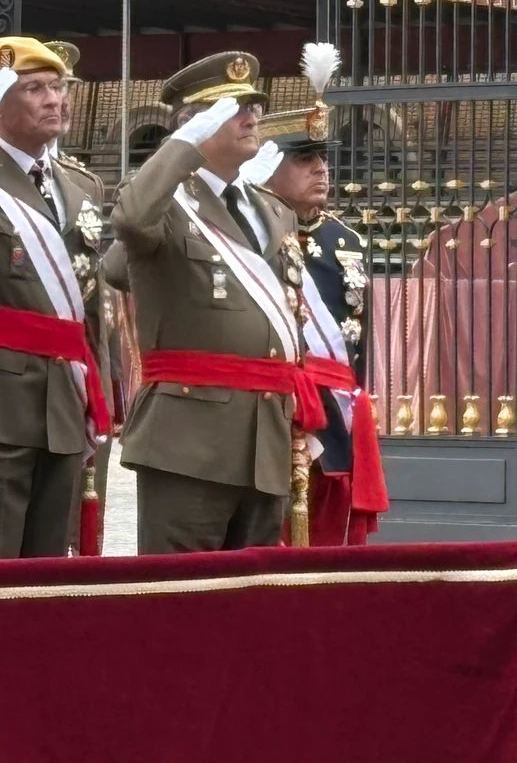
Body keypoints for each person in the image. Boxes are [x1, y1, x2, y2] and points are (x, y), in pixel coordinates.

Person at [110, 51, 309, 553]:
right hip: (189, 441)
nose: (251, 117)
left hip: (264, 438)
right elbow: (129, 230)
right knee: (181, 592)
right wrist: (180, 148)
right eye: (232, 108)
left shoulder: (273, 210)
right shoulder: (165, 201)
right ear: (194, 123)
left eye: (254, 107)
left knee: (250, 593)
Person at [251, 94, 389, 546]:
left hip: (336, 412)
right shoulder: (252, 238)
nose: (321, 169)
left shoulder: (344, 238)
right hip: (278, 408)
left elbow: (359, 335)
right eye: (305, 159)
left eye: (323, 159)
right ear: (269, 168)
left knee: (331, 538)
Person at [0, 37, 112, 557]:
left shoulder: (82, 187)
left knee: (47, 566)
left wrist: (100, 389)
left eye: (59, 86)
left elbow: (91, 307)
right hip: (6, 399)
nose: (55, 99)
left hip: (65, 399)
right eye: (34, 88)